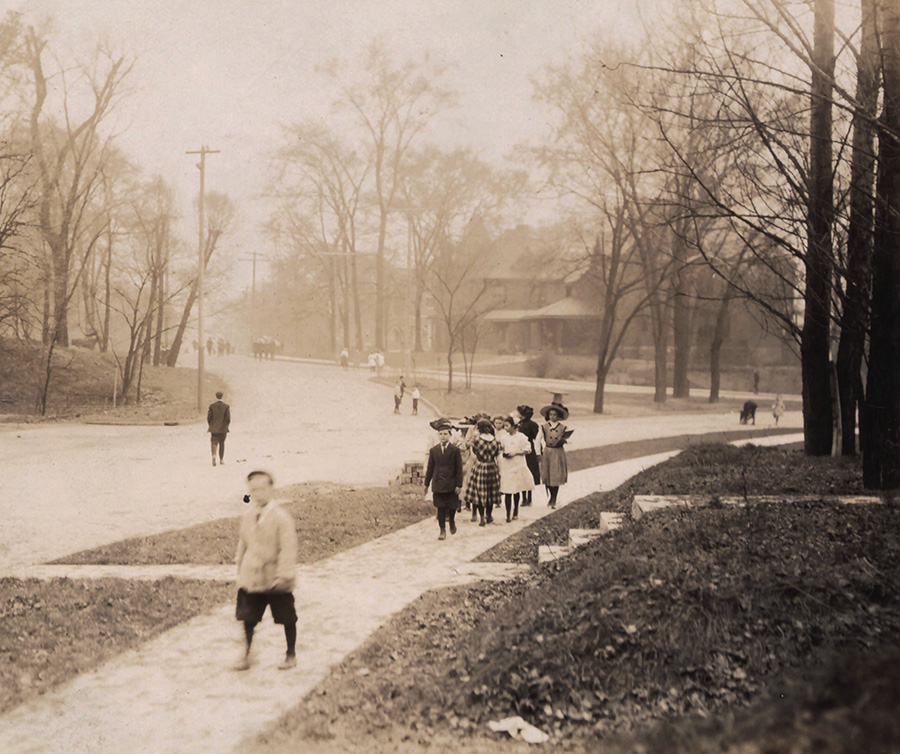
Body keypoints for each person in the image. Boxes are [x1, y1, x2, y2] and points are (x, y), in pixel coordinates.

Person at [234, 470, 298, 671]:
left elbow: (288, 548)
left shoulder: (281, 517)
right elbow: (243, 543)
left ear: (271, 489)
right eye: (253, 490)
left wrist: (284, 574)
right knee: (248, 616)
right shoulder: (248, 515)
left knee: (286, 616)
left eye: (261, 489)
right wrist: (239, 565)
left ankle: (290, 653)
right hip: (252, 576)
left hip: (274, 577)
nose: (257, 494)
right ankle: (247, 654)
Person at [424, 420, 464, 540]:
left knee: (452, 506)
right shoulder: (434, 450)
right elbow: (430, 468)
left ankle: (451, 521)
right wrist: (426, 484)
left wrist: (458, 484)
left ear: (450, 435)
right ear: (438, 435)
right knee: (440, 507)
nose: (443, 436)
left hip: (451, 483)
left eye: (445, 434)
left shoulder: (455, 450)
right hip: (438, 483)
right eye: (440, 434)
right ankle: (442, 530)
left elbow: (459, 468)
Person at [464, 418, 502, 526]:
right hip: (492, 467)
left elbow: (474, 455)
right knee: (490, 493)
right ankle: (489, 515)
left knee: (480, 493)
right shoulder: (496, 441)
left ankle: (481, 518)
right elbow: (499, 459)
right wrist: (500, 471)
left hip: (480, 467)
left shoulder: (476, 441)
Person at [498, 416, 533, 522]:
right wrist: (503, 453)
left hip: (518, 464)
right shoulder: (504, 437)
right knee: (508, 490)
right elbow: (500, 447)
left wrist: (516, 452)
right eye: (504, 426)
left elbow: (528, 449)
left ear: (514, 426)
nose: (505, 428)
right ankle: (508, 514)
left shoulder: (521, 437)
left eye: (507, 425)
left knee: (516, 489)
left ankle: (515, 511)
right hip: (507, 465)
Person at [540, 394, 572, 509]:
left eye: (555, 415)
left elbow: (568, 439)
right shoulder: (544, 427)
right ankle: (550, 496)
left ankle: (554, 498)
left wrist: (564, 441)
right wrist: (539, 453)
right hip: (548, 451)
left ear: (559, 416)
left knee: (556, 475)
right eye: (550, 414)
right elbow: (537, 440)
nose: (552, 417)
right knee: (548, 475)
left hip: (558, 452)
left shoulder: (563, 427)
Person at [516, 405, 542, 507]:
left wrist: (539, 452)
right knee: (521, 474)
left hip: (529, 451)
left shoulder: (532, 425)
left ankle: (529, 498)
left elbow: (537, 439)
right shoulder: (517, 424)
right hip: (519, 449)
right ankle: (523, 498)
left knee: (529, 473)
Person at [207, 391, 231, 467]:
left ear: (216, 396)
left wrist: (211, 425)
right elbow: (228, 418)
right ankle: (221, 459)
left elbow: (208, 417)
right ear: (222, 396)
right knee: (222, 443)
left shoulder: (212, 406)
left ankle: (214, 455)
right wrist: (226, 425)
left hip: (214, 428)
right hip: (223, 428)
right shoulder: (226, 406)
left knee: (213, 442)